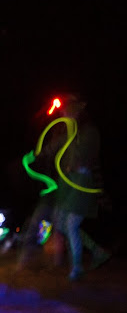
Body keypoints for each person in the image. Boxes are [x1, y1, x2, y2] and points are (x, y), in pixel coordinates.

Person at [50, 94, 111, 280]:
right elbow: (55, 148)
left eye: (67, 110)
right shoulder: (69, 131)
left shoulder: (89, 131)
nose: (64, 113)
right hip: (70, 184)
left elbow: (82, 158)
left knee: (70, 223)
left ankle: (77, 268)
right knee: (61, 222)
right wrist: (35, 155)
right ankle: (97, 251)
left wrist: (73, 164)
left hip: (82, 182)